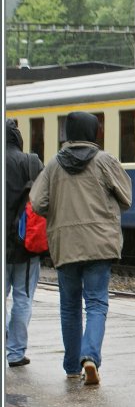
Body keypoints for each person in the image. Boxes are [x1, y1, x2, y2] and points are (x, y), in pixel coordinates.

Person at [29, 111, 132, 385]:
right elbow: (126, 197)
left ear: (68, 134)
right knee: (96, 302)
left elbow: (37, 203)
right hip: (100, 243)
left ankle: (72, 366)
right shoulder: (104, 161)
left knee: (70, 307)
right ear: (94, 132)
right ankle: (90, 357)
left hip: (65, 245)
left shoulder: (53, 166)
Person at [5, 119, 44, 368]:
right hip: (24, 243)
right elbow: (43, 201)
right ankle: (16, 353)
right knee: (22, 297)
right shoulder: (31, 162)